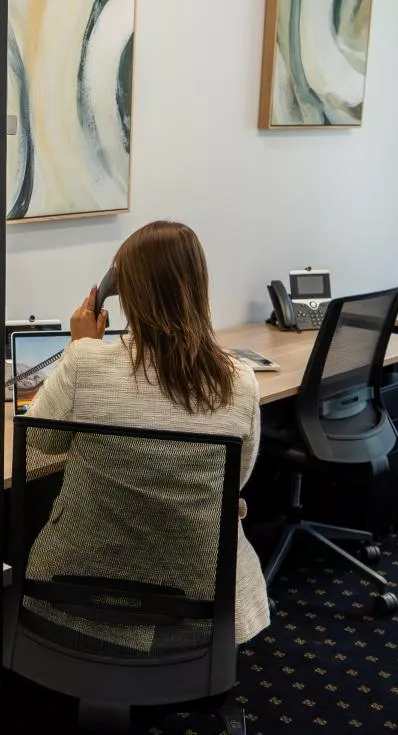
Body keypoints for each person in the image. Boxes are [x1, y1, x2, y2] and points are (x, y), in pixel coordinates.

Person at [24, 220, 269, 650]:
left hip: (78, 589)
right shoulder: (241, 382)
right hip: (200, 595)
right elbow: (236, 479)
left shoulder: (87, 364)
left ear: (124, 294)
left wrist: (79, 346)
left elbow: (42, 441)